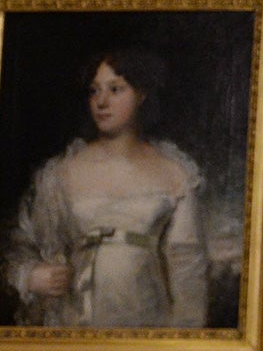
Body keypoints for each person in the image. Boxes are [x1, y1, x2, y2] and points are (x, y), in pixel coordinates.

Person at [6, 48, 209, 328]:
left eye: (115, 89)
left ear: (141, 94)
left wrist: (185, 341)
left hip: (146, 322)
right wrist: (32, 276)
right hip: (76, 322)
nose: (101, 102)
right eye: (94, 91)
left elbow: (188, 270)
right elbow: (20, 249)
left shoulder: (174, 173)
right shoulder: (61, 173)